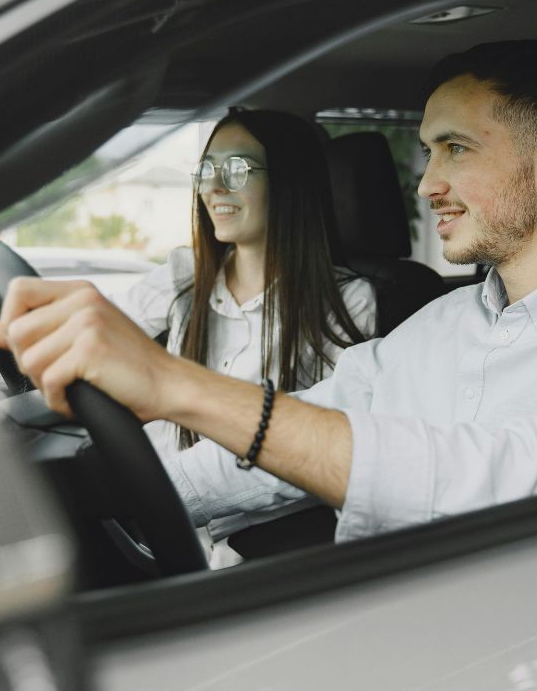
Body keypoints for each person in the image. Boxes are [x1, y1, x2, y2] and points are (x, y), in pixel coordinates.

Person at [0, 40, 537, 545]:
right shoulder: (433, 327)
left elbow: (514, 477)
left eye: (455, 148)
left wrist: (176, 386)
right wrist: (75, 498)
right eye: (425, 152)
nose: (427, 182)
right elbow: (285, 443)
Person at [109, 109, 376, 564]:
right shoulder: (185, 276)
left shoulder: (348, 301)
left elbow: (320, 446)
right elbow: (98, 337)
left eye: (237, 169)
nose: (214, 188)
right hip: (156, 529)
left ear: (288, 183)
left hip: (257, 550)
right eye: (208, 170)